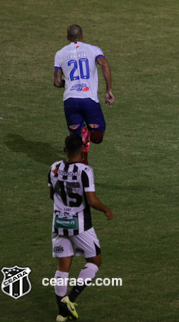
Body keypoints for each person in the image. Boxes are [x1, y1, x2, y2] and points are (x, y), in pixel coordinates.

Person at [49, 134, 114, 322]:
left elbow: (51, 195)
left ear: (64, 150)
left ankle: (61, 314)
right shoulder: (85, 170)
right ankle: (72, 298)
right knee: (95, 261)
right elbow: (92, 201)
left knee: (62, 269)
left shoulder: (53, 168)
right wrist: (106, 209)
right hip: (80, 225)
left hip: (59, 223)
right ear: (83, 151)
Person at [53, 24, 114, 164]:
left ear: (67, 37)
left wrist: (69, 84)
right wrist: (108, 89)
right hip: (88, 99)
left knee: (77, 142)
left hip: (70, 100)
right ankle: (85, 136)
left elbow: (56, 82)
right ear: (82, 36)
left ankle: (82, 140)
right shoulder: (93, 50)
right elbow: (104, 64)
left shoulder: (60, 53)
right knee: (98, 136)